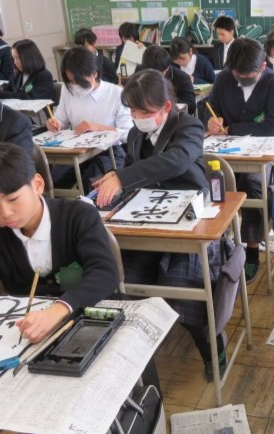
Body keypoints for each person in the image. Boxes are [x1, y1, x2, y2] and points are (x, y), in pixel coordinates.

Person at [93, 69, 228, 379]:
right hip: (148, 220)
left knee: (183, 287)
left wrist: (123, 177)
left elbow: (176, 160)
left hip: (190, 220)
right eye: (132, 110)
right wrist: (114, 182)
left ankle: (213, 347)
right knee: (124, 278)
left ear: (166, 107)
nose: (137, 117)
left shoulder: (188, 126)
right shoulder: (135, 134)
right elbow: (133, 173)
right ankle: (138, 352)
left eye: (144, 112)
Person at [0, 142, 118, 344]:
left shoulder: (77, 216)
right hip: (25, 331)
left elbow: (105, 273)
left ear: (37, 185)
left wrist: (59, 310)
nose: (4, 213)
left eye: (13, 199)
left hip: (88, 314)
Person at [206, 37, 274, 282]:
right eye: (237, 75)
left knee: (253, 183)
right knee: (208, 180)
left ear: (262, 66)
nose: (241, 80)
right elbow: (212, 109)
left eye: (247, 76)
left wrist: (231, 128)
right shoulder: (223, 79)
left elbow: (273, 127)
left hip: (262, 155)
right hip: (225, 152)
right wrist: (212, 121)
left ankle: (252, 248)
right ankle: (217, 245)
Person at [46, 47, 131, 190]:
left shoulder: (116, 93)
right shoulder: (68, 90)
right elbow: (60, 120)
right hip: (77, 150)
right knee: (52, 183)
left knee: (94, 186)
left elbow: (128, 133)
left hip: (109, 152)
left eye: (78, 81)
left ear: (94, 74)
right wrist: (53, 124)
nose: (74, 86)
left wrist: (97, 127)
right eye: (70, 81)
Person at [141, 45, 196, 115]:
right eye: (150, 73)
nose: (154, 77)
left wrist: (166, 98)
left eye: (158, 74)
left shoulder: (182, 78)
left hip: (172, 116)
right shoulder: (140, 73)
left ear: (167, 69)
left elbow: (191, 106)